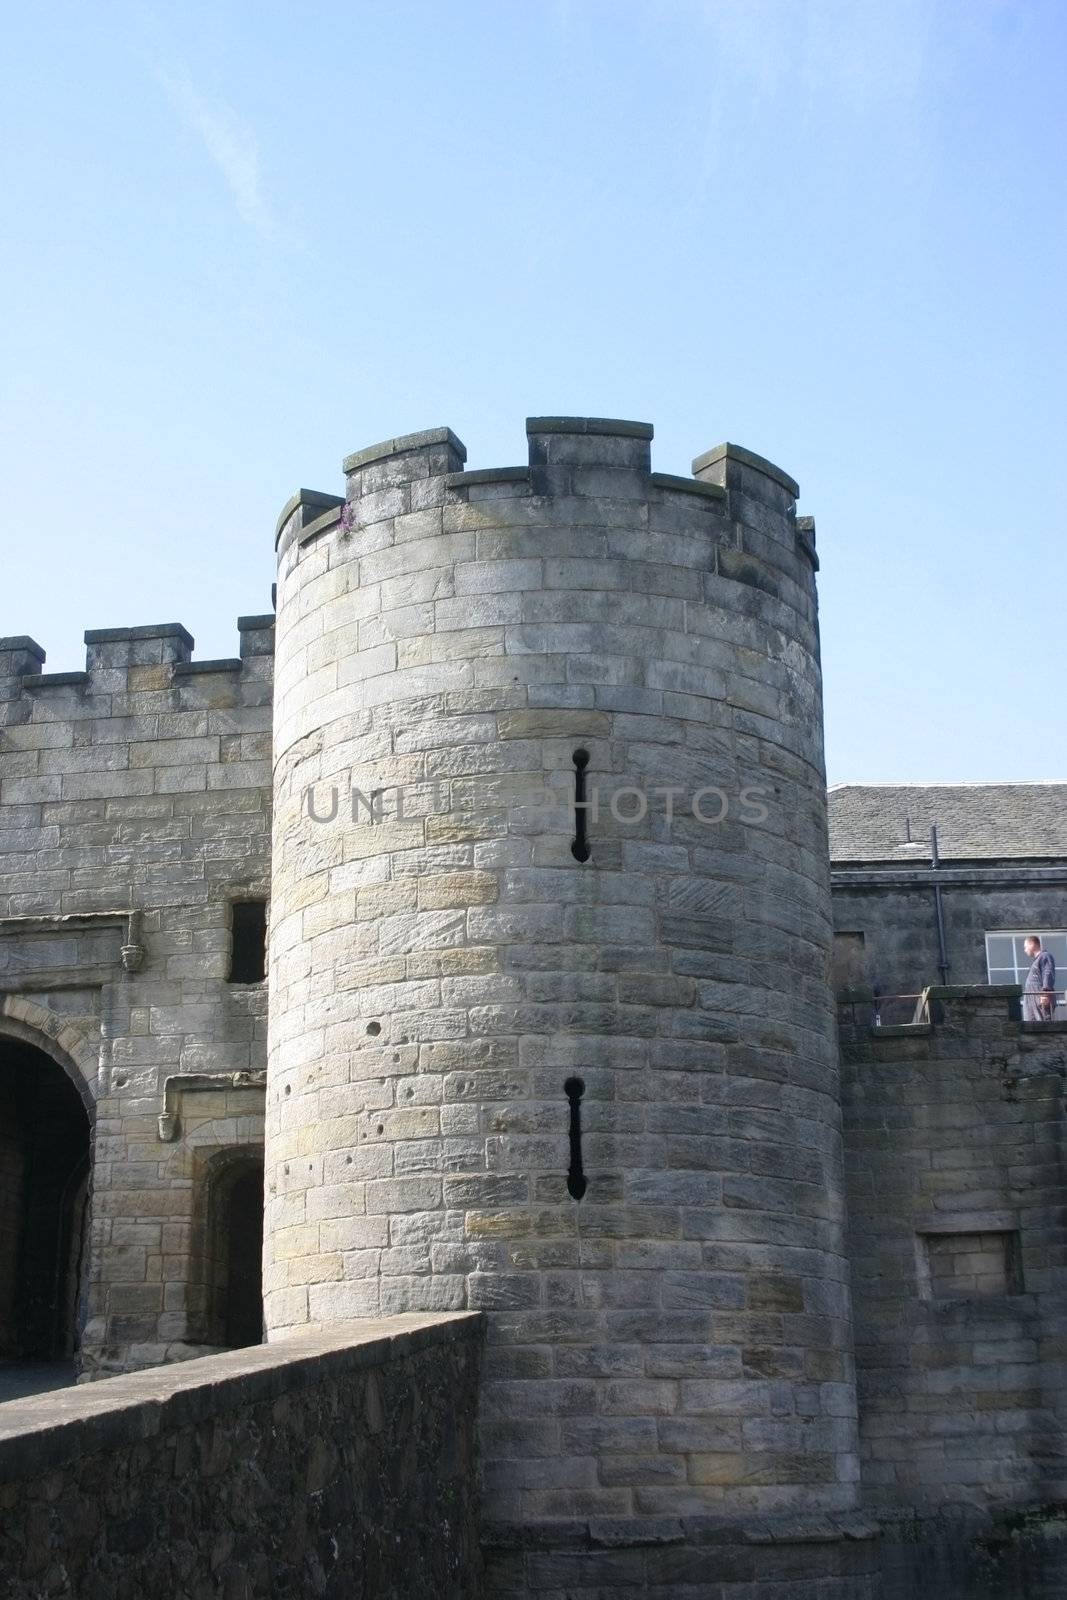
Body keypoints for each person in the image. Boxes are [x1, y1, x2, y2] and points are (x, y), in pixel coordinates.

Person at [1022, 935, 1056, 1022]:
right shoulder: (1036, 961)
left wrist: (1045, 993)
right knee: (1031, 1029)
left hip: (1040, 1002)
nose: (1025, 950)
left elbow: (1048, 973)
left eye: (1026, 947)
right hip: (1032, 1004)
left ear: (1032, 944)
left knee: (1043, 1026)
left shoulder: (1044, 956)